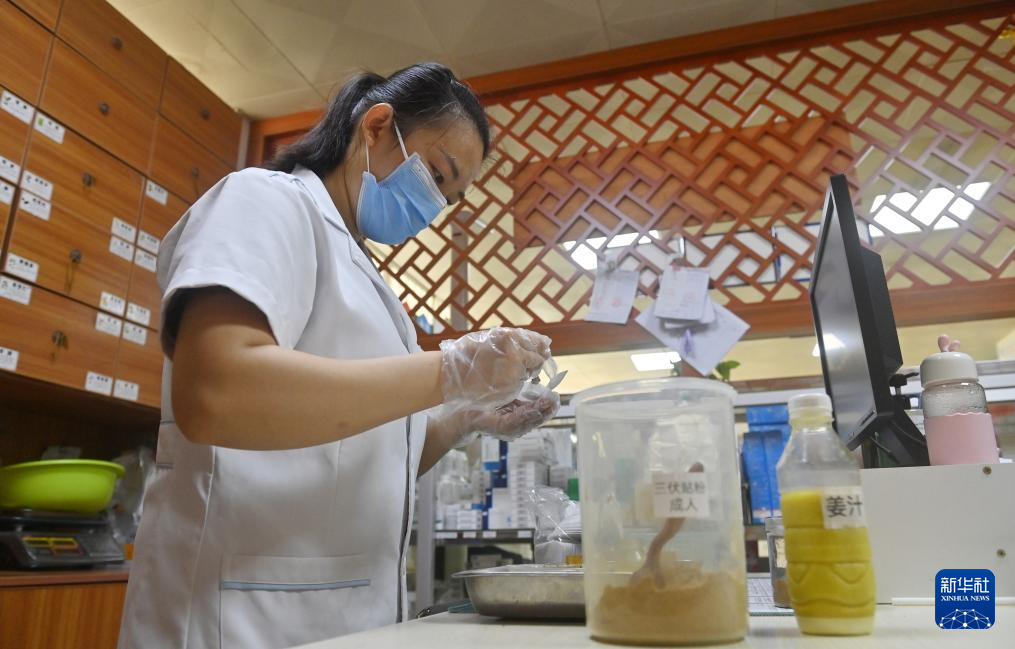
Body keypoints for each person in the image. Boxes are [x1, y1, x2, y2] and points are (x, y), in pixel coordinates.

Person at [118, 63, 561, 649]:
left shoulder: (372, 287)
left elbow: (373, 455)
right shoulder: (264, 200)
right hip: (234, 616)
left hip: (342, 616)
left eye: (447, 199)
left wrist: (464, 418)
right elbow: (214, 392)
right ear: (376, 127)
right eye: (435, 175)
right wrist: (450, 370)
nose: (432, 207)